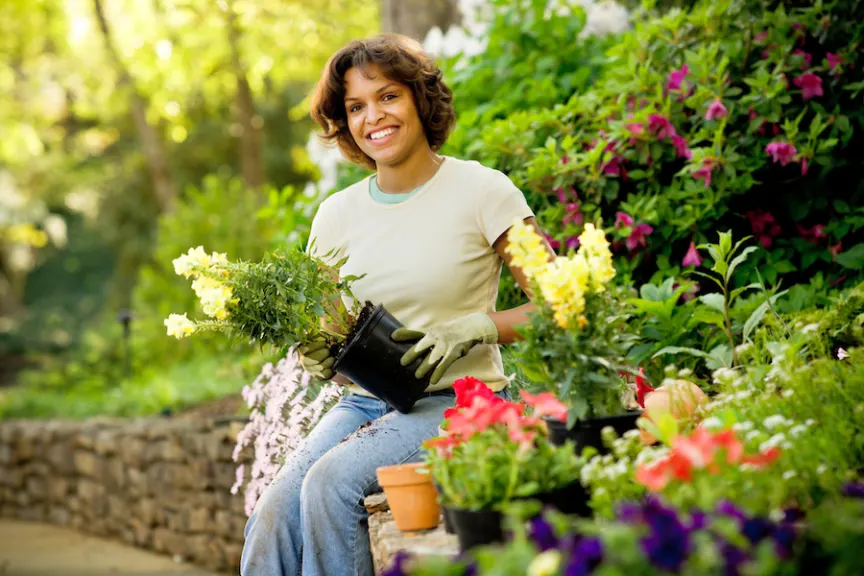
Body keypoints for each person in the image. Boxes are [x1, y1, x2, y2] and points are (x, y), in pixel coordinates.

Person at [240, 33, 555, 576]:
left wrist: (478, 328)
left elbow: (559, 307)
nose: (373, 117)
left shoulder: (485, 191)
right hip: (364, 406)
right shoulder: (335, 216)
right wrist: (319, 357)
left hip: (457, 404)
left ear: (419, 99)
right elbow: (333, 337)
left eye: (387, 96)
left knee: (331, 485)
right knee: (272, 510)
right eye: (355, 107)